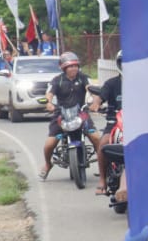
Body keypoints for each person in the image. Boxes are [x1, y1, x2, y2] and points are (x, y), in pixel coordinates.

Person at [39, 52, 104, 186]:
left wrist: (95, 102)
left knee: (97, 138)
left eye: (75, 66)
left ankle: (103, 165)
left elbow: (91, 89)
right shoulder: (57, 80)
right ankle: (47, 164)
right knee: (49, 144)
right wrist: (49, 103)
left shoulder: (83, 78)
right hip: (61, 114)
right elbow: (49, 94)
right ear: (64, 68)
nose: (73, 68)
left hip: (81, 113)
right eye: (70, 66)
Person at [91, 51, 124, 186]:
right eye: (123, 62)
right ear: (119, 64)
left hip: (137, 123)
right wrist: (96, 104)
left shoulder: (141, 82)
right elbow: (100, 97)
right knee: (103, 144)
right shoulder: (111, 84)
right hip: (115, 122)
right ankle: (102, 179)